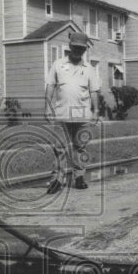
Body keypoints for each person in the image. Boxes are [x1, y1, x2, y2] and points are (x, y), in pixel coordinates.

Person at [44, 32, 102, 192]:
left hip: (82, 115)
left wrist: (96, 111)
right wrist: (47, 107)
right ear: (70, 46)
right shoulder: (58, 64)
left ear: (85, 50)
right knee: (59, 148)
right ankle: (58, 179)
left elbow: (94, 91)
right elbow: (50, 86)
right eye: (75, 47)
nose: (78, 51)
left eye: (81, 49)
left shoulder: (89, 69)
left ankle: (79, 177)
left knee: (80, 147)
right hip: (61, 114)